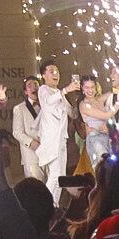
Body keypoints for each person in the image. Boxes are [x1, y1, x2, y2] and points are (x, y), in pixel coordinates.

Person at [34, 60, 80, 192]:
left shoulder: (60, 94)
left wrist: (80, 100)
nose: (55, 74)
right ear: (43, 75)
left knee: (60, 176)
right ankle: (48, 203)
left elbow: (72, 113)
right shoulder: (44, 90)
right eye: (51, 71)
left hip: (61, 139)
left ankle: (55, 205)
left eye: (57, 71)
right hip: (51, 139)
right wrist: (65, 90)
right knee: (55, 175)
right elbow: (48, 101)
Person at [12, 78, 43, 183]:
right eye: (30, 86)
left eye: (36, 84)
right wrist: (31, 143)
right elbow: (17, 132)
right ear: (25, 91)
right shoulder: (19, 108)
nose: (34, 87)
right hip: (31, 155)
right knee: (36, 189)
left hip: (48, 152)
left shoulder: (47, 105)